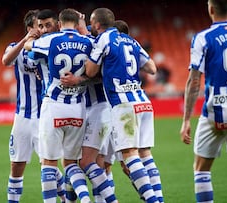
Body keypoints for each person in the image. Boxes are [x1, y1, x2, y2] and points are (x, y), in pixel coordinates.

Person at [179, 0, 227, 202]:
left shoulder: (203, 38)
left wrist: (187, 120)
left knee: (201, 170)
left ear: (210, 9)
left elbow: (194, 81)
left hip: (214, 112)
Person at [84, 7, 163, 203]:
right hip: (143, 102)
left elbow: (91, 71)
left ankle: (153, 201)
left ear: (97, 24)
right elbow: (152, 69)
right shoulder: (131, 40)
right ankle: (159, 198)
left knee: (130, 155)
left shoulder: (104, 39)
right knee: (145, 153)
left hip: (124, 104)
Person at [24, 8, 95, 203]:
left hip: (54, 106)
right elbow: (96, 71)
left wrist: (32, 38)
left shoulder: (50, 40)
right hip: (78, 109)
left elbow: (30, 49)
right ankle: (85, 198)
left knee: (49, 163)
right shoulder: (89, 42)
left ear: (60, 24)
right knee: (71, 163)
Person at [1, 9, 65, 203]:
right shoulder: (16, 47)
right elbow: (6, 61)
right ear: (30, 28)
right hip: (22, 116)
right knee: (16, 166)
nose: (43, 29)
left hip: (45, 116)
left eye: (45, 26)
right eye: (39, 26)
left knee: (49, 165)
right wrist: (25, 40)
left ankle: (63, 199)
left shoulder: (48, 47)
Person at [60, 13, 118, 203]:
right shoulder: (88, 43)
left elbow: (101, 74)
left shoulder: (97, 44)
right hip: (90, 110)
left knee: (83, 162)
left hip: (100, 108)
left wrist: (78, 79)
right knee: (96, 163)